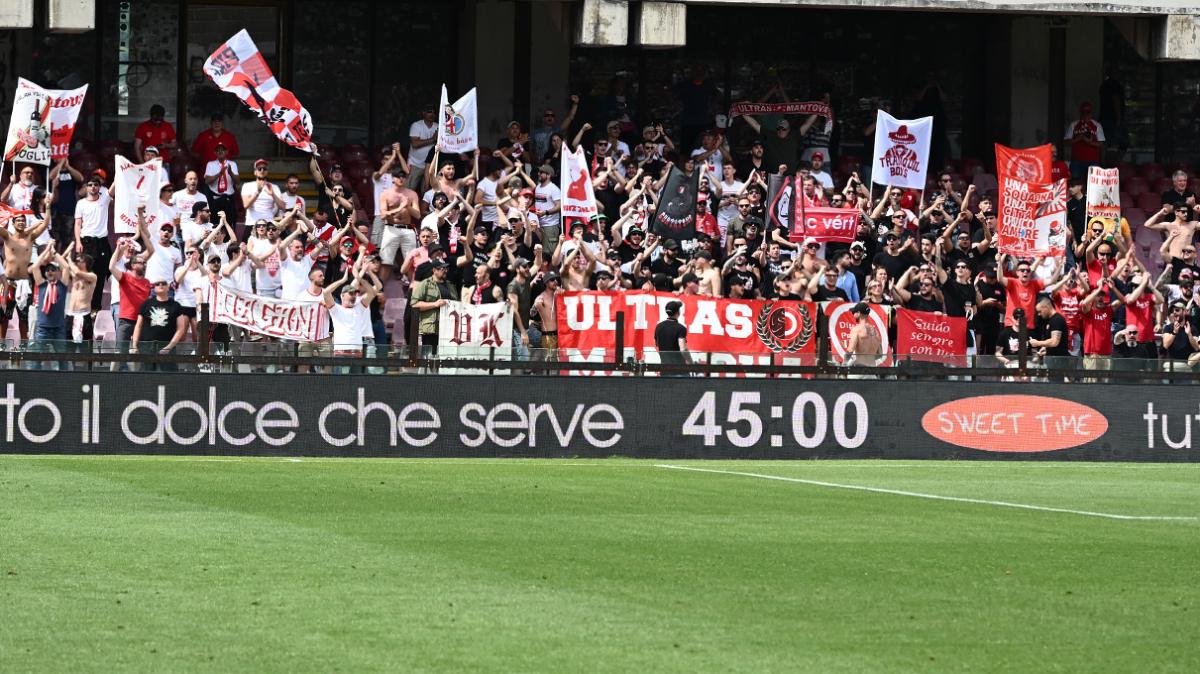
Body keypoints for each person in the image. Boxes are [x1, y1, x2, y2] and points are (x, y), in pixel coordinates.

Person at [130, 276, 187, 371]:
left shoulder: (176, 305)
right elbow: (138, 326)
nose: (161, 285)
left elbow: (181, 329)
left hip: (168, 347)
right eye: (157, 284)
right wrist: (134, 346)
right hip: (147, 347)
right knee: (147, 378)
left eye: (164, 283)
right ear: (154, 287)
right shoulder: (146, 304)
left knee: (170, 379)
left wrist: (169, 347)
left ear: (168, 287)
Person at [73, 174, 112, 311]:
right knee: (84, 275)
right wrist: (78, 242)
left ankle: (95, 308)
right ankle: (82, 306)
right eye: (90, 184)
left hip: (101, 242)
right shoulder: (81, 203)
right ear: (86, 187)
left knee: (100, 277)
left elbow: (113, 188)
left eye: (96, 184)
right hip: (86, 242)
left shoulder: (104, 199)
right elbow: (77, 224)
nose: (93, 187)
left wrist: (120, 171)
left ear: (99, 187)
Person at [410, 258, 455, 356]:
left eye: (446, 268)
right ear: (434, 270)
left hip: (448, 328)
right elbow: (414, 304)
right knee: (429, 357)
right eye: (442, 269)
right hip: (431, 329)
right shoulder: (425, 284)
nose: (445, 271)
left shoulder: (450, 285)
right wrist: (434, 304)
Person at [1064, 102, 1105, 181]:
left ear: (1091, 114)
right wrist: (1079, 138)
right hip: (1076, 160)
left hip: (1092, 160)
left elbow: (1101, 144)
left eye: (1088, 113)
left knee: (1093, 183)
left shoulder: (1097, 125)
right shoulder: (1074, 124)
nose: (1085, 115)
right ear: (1080, 113)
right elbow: (1066, 142)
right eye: (1083, 113)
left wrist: (1088, 142)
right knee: (1075, 183)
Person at [241, 158, 286, 228]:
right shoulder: (247, 185)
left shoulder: (274, 187)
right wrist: (257, 193)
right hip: (252, 223)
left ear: (267, 172)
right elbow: (246, 205)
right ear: (255, 172)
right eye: (259, 169)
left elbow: (283, 207)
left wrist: (273, 194)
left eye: (264, 169)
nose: (262, 171)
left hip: (268, 224)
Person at [203, 143, 239, 226]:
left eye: (222, 150)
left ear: (226, 152)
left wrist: (230, 173)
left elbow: (237, 181)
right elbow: (207, 181)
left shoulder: (232, 164)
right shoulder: (211, 164)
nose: (220, 151)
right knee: (215, 223)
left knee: (230, 222)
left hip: (228, 198)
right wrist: (219, 174)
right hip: (215, 197)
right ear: (215, 153)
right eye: (217, 150)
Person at [407, 104, 438, 190]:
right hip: (415, 164)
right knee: (408, 190)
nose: (432, 114)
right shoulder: (416, 125)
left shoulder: (438, 126)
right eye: (429, 112)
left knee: (426, 192)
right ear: (424, 113)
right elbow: (415, 144)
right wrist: (432, 139)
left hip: (430, 165)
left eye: (434, 113)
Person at [654, 299, 690, 370]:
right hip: (679, 369)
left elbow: (657, 345)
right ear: (678, 312)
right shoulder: (681, 328)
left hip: (664, 368)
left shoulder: (658, 327)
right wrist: (690, 361)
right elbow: (683, 348)